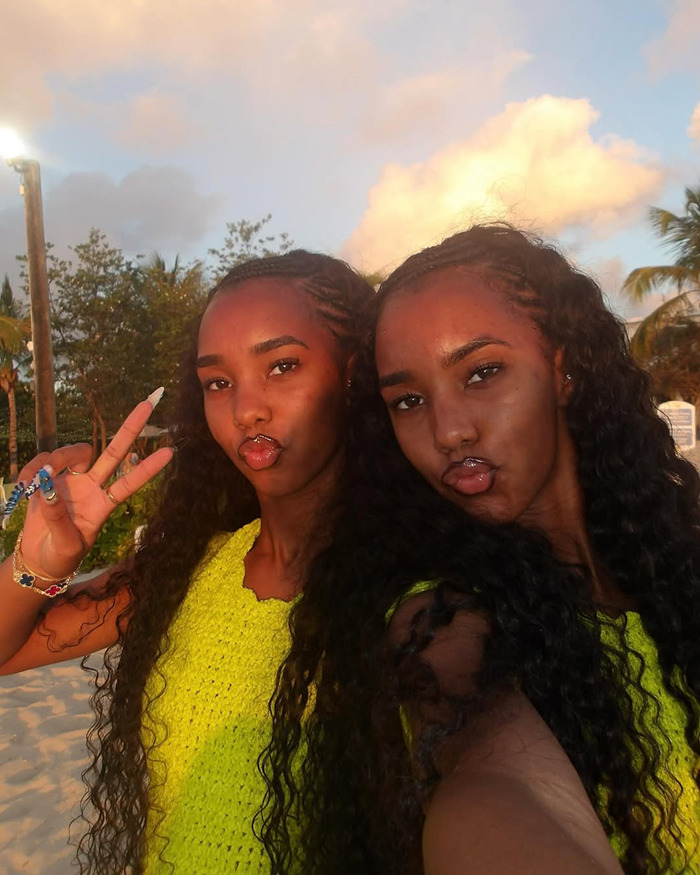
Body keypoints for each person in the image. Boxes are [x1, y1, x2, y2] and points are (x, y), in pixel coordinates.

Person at [259, 225, 699, 874]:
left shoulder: (675, 542)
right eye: (408, 400)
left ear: (563, 367)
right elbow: (489, 777)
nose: (449, 429)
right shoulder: (441, 615)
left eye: (482, 372)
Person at [0, 251, 374, 873]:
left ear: (353, 376)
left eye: (281, 366)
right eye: (218, 382)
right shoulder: (189, 571)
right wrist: (37, 561)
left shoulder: (420, 600)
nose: (245, 409)